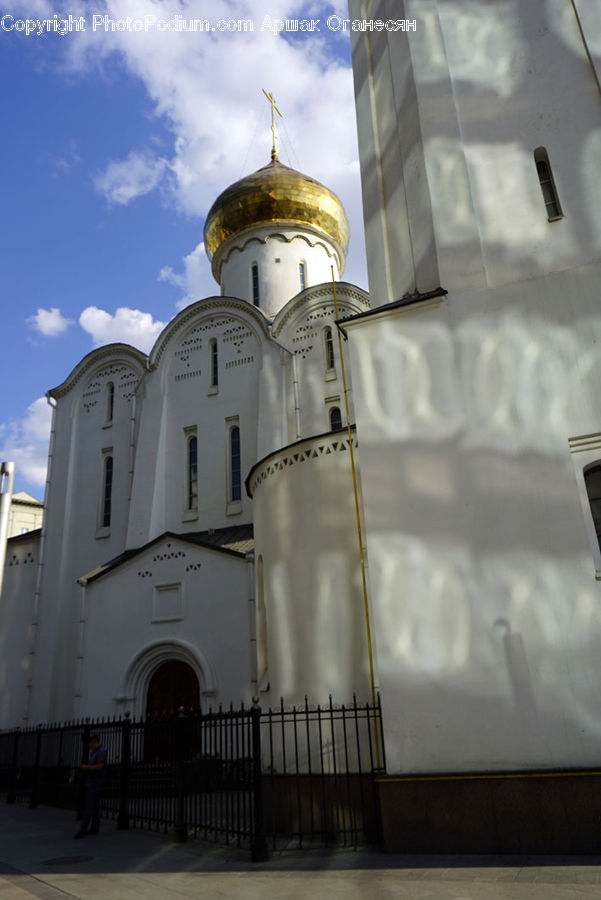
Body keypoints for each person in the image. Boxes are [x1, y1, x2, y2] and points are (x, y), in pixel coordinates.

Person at [74, 735, 107, 838]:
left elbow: (100, 766)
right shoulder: (94, 752)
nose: (89, 746)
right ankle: (94, 828)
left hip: (95, 783)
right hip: (93, 782)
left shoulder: (100, 752)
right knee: (95, 807)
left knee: (88, 807)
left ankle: (83, 830)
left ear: (95, 742)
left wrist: (87, 767)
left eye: (90, 744)